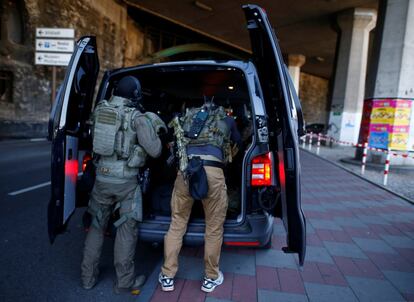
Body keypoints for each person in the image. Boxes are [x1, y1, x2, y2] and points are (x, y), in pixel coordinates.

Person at [81, 76, 166, 294]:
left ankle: (87, 278)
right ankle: (125, 282)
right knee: (127, 229)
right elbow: (155, 151)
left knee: (97, 227)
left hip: (101, 178)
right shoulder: (137, 117)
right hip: (126, 183)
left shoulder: (100, 110)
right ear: (136, 95)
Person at [159, 96, 241, 293]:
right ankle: (210, 278)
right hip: (213, 172)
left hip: (187, 171)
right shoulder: (227, 120)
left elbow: (171, 142)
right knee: (213, 228)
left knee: (177, 223)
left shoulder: (188, 118)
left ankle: (167, 276)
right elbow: (239, 143)